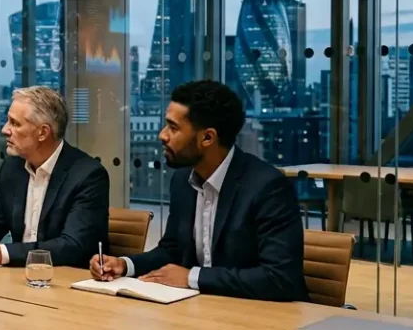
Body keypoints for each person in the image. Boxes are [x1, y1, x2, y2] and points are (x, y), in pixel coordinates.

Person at [91, 80, 308, 302]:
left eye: (173, 127)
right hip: (200, 311)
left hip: (260, 320)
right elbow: (172, 250)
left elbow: (280, 278)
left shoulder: (267, 187)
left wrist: (192, 277)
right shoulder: (183, 180)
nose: (162, 135)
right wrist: (125, 265)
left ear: (207, 138)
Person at [0, 86, 109, 268]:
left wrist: (0, 253)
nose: (5, 130)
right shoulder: (12, 167)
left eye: (14, 123)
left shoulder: (88, 175)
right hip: (18, 278)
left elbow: (72, 246)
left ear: (43, 132)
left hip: (67, 282)